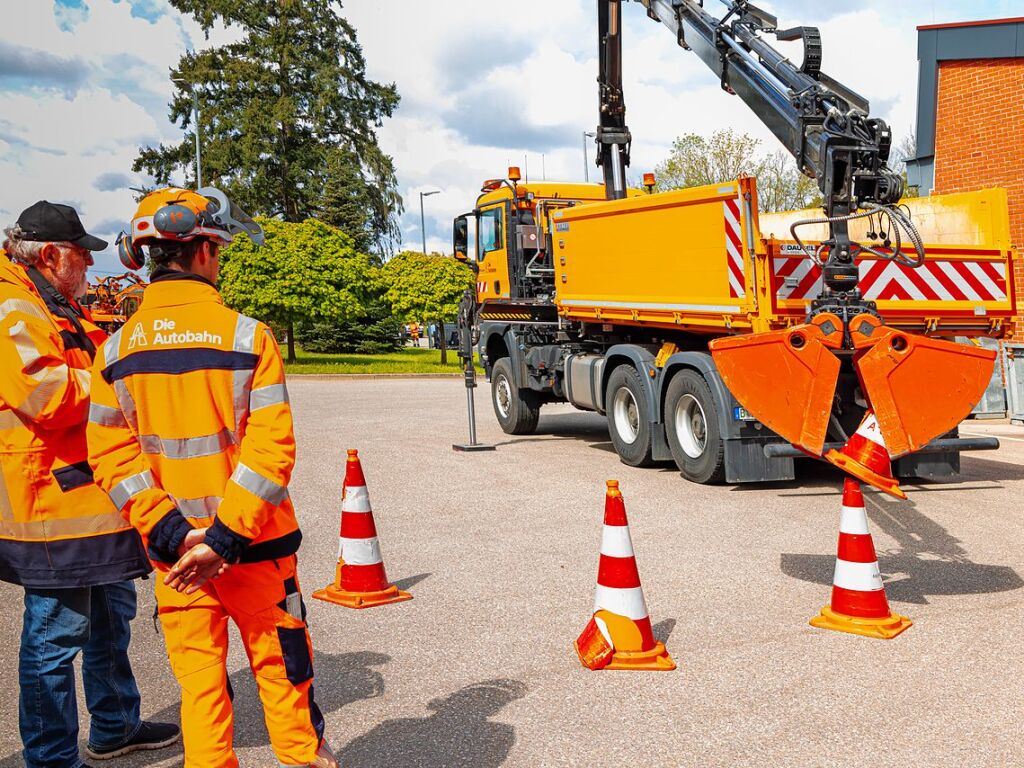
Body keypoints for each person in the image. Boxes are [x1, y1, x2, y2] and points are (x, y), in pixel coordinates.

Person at [86, 187, 338, 768]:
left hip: (177, 563)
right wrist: (223, 539)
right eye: (218, 250)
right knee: (283, 679)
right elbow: (271, 451)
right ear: (201, 252)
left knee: (200, 695)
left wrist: (177, 536)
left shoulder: (114, 350)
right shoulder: (248, 338)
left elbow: (112, 459)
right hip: (256, 550)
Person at [0, 201, 179, 768]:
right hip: (52, 506)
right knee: (55, 637)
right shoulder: (15, 309)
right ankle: (51, 757)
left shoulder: (55, 305)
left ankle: (115, 725)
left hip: (91, 498)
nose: (88, 267)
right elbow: (48, 395)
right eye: (82, 255)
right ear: (51, 256)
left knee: (110, 616)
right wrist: (119, 379)